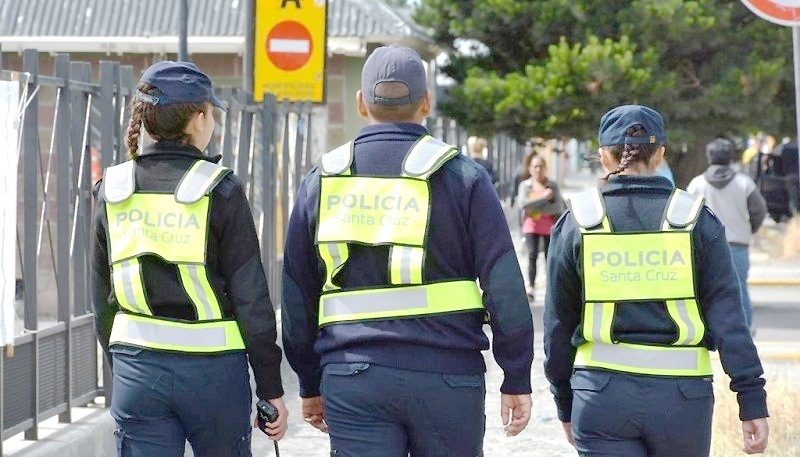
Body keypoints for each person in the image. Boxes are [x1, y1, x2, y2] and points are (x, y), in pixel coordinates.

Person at [281, 45, 534, 456]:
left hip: (352, 374)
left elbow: (296, 293)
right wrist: (516, 375)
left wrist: (309, 382)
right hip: (448, 376)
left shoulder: (323, 180)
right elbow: (504, 284)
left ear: (361, 103)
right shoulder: (464, 177)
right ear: (426, 103)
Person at [544, 104, 769, 456]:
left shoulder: (579, 221)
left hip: (601, 396)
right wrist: (751, 398)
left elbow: (558, 322)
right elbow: (729, 317)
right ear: (661, 153)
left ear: (604, 156)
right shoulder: (695, 219)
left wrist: (564, 398)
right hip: (682, 400)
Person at [90, 61, 287, 456]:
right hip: (213, 375)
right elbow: (252, 301)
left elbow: (102, 300)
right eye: (212, 113)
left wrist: (126, 372)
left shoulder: (112, 189)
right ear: (198, 119)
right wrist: (271, 389)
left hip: (138, 372)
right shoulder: (221, 189)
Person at [687, 138, 767, 331]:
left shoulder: (696, 184)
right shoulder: (744, 183)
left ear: (709, 157)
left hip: (706, 246)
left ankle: (710, 329)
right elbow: (759, 211)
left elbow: (687, 216)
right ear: (732, 158)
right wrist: (749, 229)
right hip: (737, 244)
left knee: (706, 289)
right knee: (739, 289)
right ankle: (745, 329)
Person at [516, 155, 564, 299]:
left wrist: (535, 207)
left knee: (550, 257)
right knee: (532, 255)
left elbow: (557, 207)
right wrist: (544, 198)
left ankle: (551, 287)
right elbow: (523, 204)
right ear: (530, 169)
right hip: (531, 226)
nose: (538, 169)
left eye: (540, 166)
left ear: (545, 168)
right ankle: (530, 287)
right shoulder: (525, 186)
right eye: (535, 166)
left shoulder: (552, 186)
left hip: (549, 226)